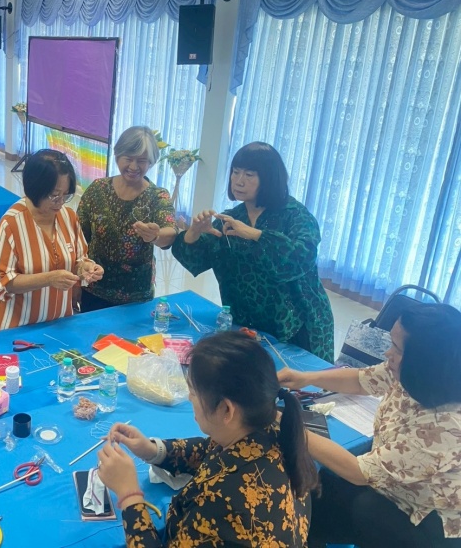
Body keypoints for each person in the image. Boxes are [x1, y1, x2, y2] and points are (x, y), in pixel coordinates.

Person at [98, 332, 317, 547]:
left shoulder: (221, 503)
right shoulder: (273, 430)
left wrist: (129, 494)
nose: (189, 398)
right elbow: (210, 450)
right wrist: (153, 450)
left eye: (193, 392)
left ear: (226, 410)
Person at [279, 302, 461, 548]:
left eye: (396, 348)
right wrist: (305, 378)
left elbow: (358, 473)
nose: (387, 353)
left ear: (423, 360)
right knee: (317, 488)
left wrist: (290, 426)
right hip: (390, 475)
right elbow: (361, 380)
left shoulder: (445, 427)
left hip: (426, 516)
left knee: (363, 508)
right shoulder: (412, 372)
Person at [172, 142, 334, 360]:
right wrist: (193, 233)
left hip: (298, 326)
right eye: (235, 172)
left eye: (249, 175)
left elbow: (300, 257)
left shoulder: (295, 215)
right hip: (249, 324)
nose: (239, 181)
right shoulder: (232, 217)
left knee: (298, 380)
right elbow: (199, 259)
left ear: (269, 179)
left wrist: (255, 234)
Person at [0, 149, 104, 330]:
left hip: (58, 324)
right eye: (54, 195)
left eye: (66, 195)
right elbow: (3, 281)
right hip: (16, 328)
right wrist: (48, 279)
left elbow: (79, 259)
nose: (60, 202)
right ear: (35, 189)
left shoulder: (69, 217)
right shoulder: (11, 224)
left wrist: (86, 268)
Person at [77, 126, 175, 311]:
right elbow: (78, 237)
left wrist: (155, 235)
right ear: (117, 156)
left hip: (136, 296)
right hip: (94, 288)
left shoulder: (157, 196)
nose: (134, 167)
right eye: (128, 159)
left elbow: (170, 232)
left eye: (142, 161)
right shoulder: (98, 189)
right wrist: (76, 281)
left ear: (151, 162)